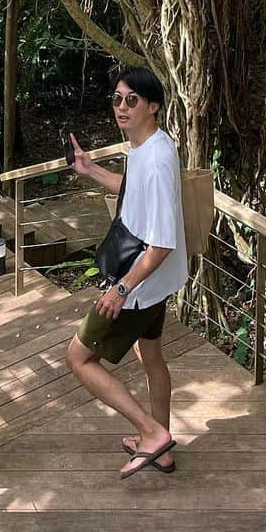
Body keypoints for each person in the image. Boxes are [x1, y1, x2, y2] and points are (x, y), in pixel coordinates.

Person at [65, 66, 189, 478]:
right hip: (158, 285)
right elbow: (132, 189)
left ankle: (150, 433)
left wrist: (120, 289)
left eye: (132, 99)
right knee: (150, 355)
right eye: (117, 98)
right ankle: (164, 447)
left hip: (139, 284)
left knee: (80, 357)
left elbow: (162, 242)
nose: (122, 106)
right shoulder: (153, 146)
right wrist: (91, 171)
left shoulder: (153, 161)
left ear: (153, 105)